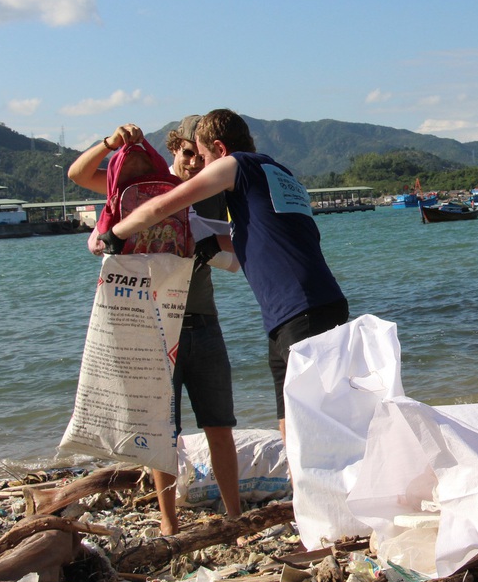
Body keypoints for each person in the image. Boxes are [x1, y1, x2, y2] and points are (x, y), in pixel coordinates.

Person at [98, 109, 349, 442]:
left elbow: (164, 206)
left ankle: (335, 490)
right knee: (289, 420)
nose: (201, 166)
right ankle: (300, 492)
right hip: (293, 313)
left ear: (219, 148)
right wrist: (208, 241)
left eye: (203, 156)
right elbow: (265, 234)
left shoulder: (237, 165)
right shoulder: (278, 172)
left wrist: (116, 234)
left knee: (316, 428)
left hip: (302, 310)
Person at [68, 117, 242, 535]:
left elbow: (240, 247)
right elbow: (77, 174)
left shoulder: (215, 191)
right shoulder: (146, 187)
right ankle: (169, 524)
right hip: (153, 324)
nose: (195, 166)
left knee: (220, 424)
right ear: (174, 149)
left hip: (203, 321)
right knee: (163, 431)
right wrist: (110, 142)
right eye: (187, 156)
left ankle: (235, 517)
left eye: (200, 157)